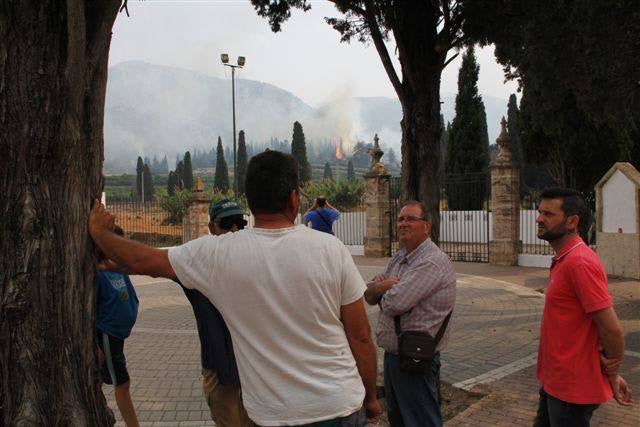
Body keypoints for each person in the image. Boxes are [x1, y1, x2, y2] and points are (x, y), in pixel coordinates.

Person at [89, 150, 382, 426]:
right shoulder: (332, 249)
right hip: (339, 404)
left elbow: (142, 259)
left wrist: (100, 233)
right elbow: (360, 336)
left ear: (249, 201)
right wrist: (370, 397)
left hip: (272, 414)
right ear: (294, 200)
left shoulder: (215, 255)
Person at [534, 188, 633, 426]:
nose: (539, 219)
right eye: (540, 212)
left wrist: (613, 372)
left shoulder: (579, 262)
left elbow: (611, 330)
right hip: (555, 382)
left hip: (571, 390)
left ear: (572, 221)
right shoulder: (564, 258)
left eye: (548, 214)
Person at [364, 201, 456, 427]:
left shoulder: (431, 262)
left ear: (427, 226)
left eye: (411, 219)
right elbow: (368, 293)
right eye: (400, 219)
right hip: (395, 356)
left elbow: (395, 303)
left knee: (420, 421)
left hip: (415, 359)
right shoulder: (400, 256)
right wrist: (382, 287)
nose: (403, 224)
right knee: (399, 420)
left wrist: (382, 289)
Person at [179, 198, 251, 426]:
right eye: (226, 223)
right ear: (211, 227)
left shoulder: (256, 261)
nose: (233, 230)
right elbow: (148, 262)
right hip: (221, 372)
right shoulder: (197, 265)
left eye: (239, 223)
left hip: (257, 372)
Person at [96, 225, 140, 427]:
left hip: (118, 334)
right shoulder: (100, 271)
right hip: (108, 334)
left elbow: (130, 294)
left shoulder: (117, 268)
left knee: (109, 377)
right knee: (122, 383)